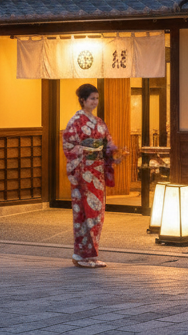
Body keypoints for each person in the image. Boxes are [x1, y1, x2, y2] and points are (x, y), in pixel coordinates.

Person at [62, 83, 123, 268]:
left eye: (97, 98)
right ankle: (81, 254)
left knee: (97, 214)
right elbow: (68, 146)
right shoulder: (76, 121)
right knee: (83, 213)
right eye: (92, 99)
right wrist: (87, 149)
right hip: (83, 172)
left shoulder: (99, 122)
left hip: (97, 172)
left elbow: (107, 144)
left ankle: (92, 255)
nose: (95, 102)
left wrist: (113, 153)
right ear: (83, 100)